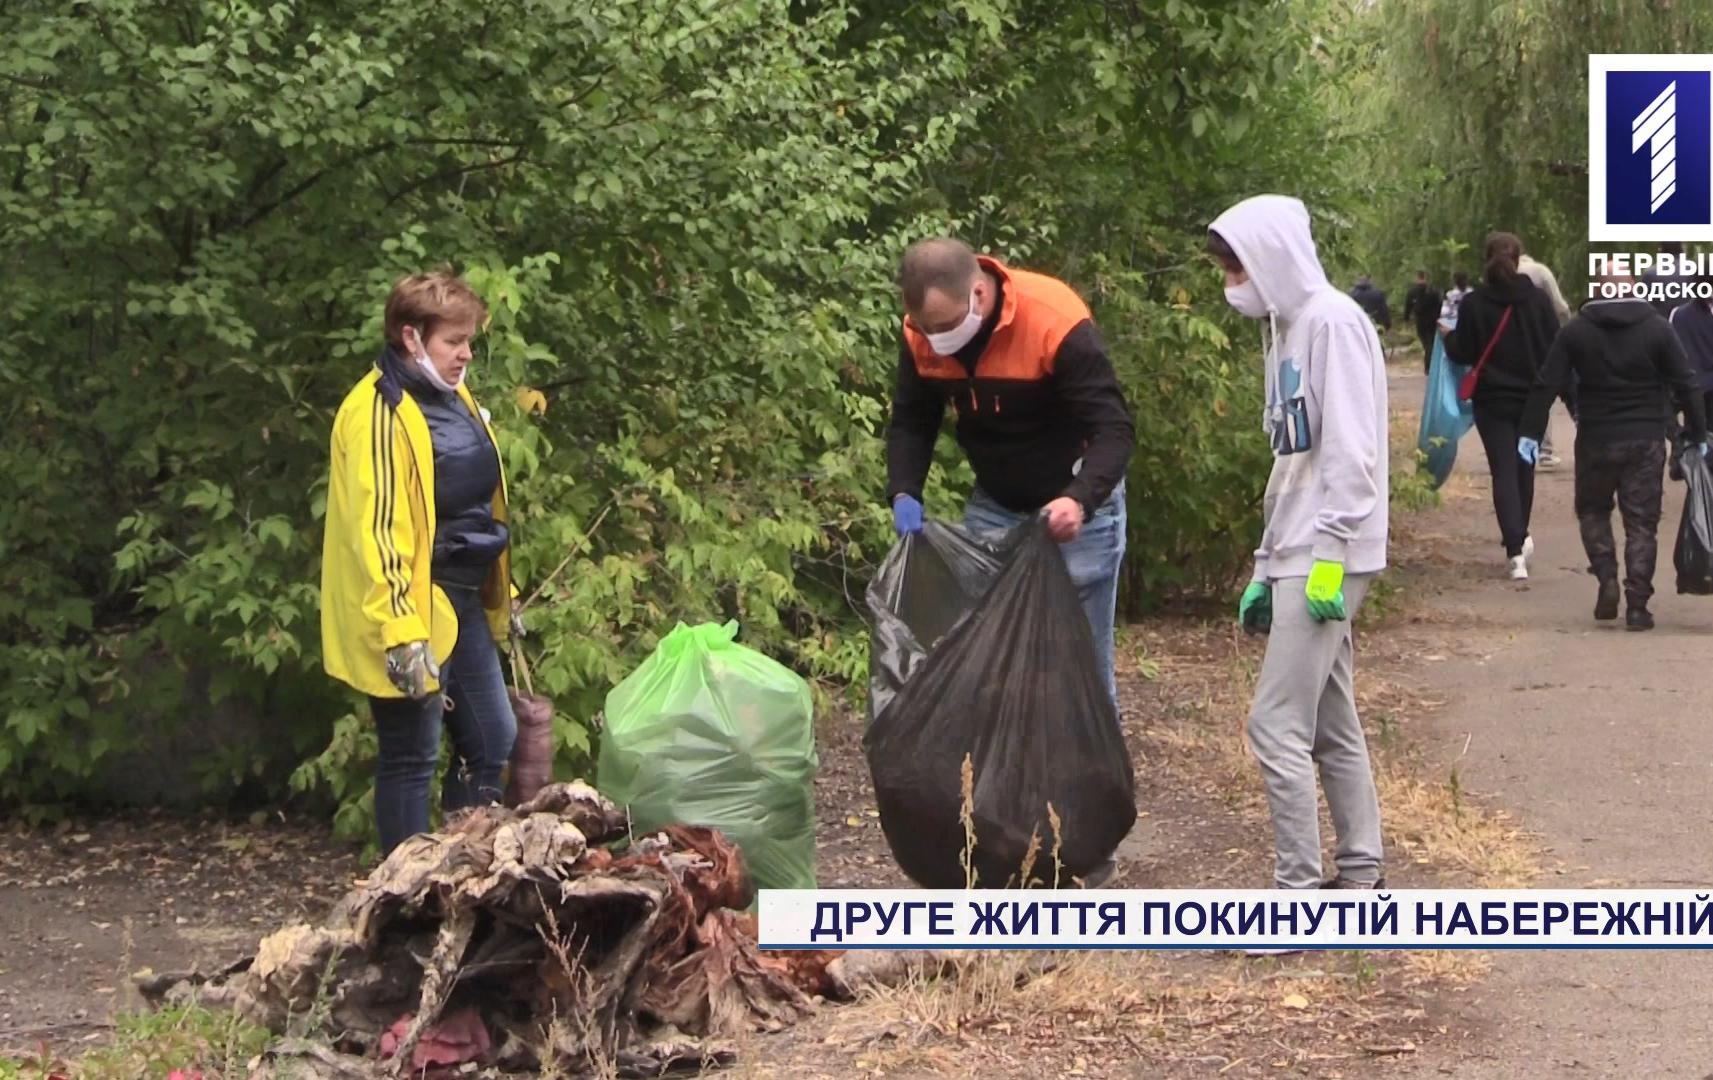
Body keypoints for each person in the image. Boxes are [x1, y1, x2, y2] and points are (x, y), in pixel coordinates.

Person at [1208, 195, 1389, 897]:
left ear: (1270, 259)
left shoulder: (1332, 323)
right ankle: (1361, 873)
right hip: (1298, 549)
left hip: (1327, 550)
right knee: (1326, 721)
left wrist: (1330, 553)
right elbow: (1292, 464)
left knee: (1274, 724)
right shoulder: (1286, 330)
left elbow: (1351, 449)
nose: (1232, 284)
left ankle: (1296, 896)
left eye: (1237, 268)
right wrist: (1266, 562)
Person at [886, 239, 1135, 710]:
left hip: (1075, 510)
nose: (935, 339)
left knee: (1079, 665)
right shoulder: (920, 333)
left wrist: (1080, 498)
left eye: (945, 326)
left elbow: (1113, 429)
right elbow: (913, 421)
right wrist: (903, 491)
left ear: (979, 293)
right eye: (925, 327)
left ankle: (1086, 759)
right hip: (996, 506)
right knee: (996, 656)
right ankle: (1009, 757)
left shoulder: (1053, 319)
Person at [321, 271, 520, 856]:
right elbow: (378, 531)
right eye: (453, 341)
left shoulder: (453, 395)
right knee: (411, 755)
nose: (466, 354)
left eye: (468, 340)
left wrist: (504, 592)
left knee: (493, 736)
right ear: (411, 337)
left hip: (460, 596)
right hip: (408, 606)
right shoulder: (377, 411)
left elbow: (476, 503)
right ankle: (406, 892)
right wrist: (401, 633)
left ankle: (465, 871)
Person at [1522, 273, 1709, 630]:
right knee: (1642, 523)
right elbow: (1686, 381)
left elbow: (1548, 381)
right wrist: (1697, 432)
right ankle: (1637, 605)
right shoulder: (1656, 328)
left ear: (1597, 290)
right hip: (1645, 439)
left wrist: (1529, 432)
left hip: (1596, 437)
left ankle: (1606, 577)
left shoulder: (1577, 331)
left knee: (1593, 511)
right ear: (1634, 289)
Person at [1444, 233, 1562, 581]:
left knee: (1503, 471)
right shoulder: (1538, 301)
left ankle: (1515, 550)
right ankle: (1520, 536)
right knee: (1525, 467)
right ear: (1518, 258)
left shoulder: (1474, 304)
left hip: (1492, 400)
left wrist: (1447, 337)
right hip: (1532, 400)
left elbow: (1463, 351)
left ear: (1486, 260)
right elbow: (1554, 347)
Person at [1518, 244, 1574, 471]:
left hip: (1512, 343)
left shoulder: (1500, 273)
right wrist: (1568, 328)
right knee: (1545, 389)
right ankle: (1545, 450)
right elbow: (1560, 307)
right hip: (1541, 339)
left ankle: (1522, 446)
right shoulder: (1540, 271)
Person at [1403, 270, 1443, 374]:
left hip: (1420, 321)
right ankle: (1431, 365)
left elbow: (1408, 306)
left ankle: (1428, 366)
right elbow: (1439, 305)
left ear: (1417, 278)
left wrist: (1406, 318)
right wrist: (1438, 317)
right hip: (1433, 321)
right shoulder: (1434, 291)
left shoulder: (1412, 291)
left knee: (1426, 343)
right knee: (1431, 342)